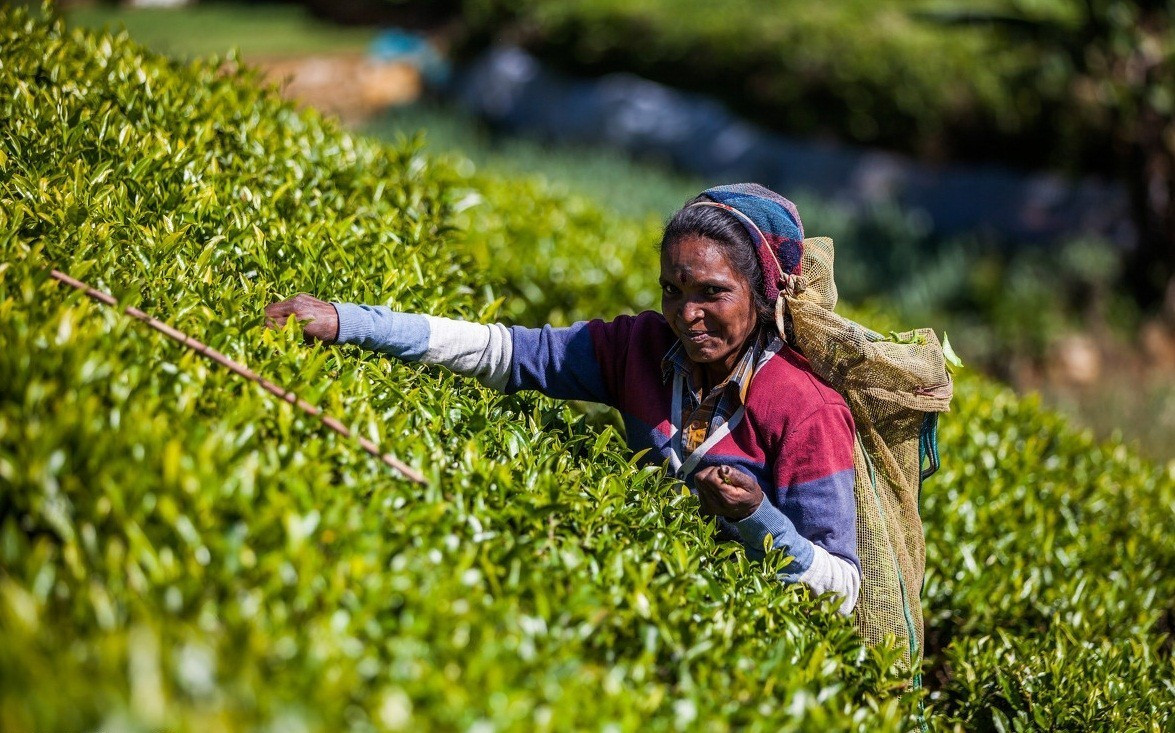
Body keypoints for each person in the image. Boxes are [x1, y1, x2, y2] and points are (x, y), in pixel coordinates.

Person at [265, 183, 860, 614]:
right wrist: (350, 323)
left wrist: (754, 517)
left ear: (762, 295)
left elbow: (842, 586)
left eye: (713, 293)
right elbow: (503, 352)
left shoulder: (805, 410)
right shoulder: (639, 348)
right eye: (672, 291)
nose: (687, 314)